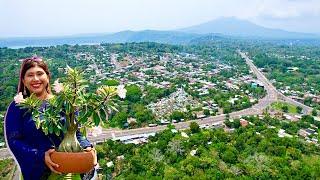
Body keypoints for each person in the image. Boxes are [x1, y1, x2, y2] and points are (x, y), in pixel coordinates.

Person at [4, 56, 96, 180]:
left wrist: (87, 147)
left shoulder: (64, 102)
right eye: (30, 75)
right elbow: (14, 141)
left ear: (47, 77)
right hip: (39, 174)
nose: (35, 79)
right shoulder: (17, 107)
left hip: (70, 171)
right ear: (23, 80)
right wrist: (40, 155)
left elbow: (76, 132)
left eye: (39, 73)